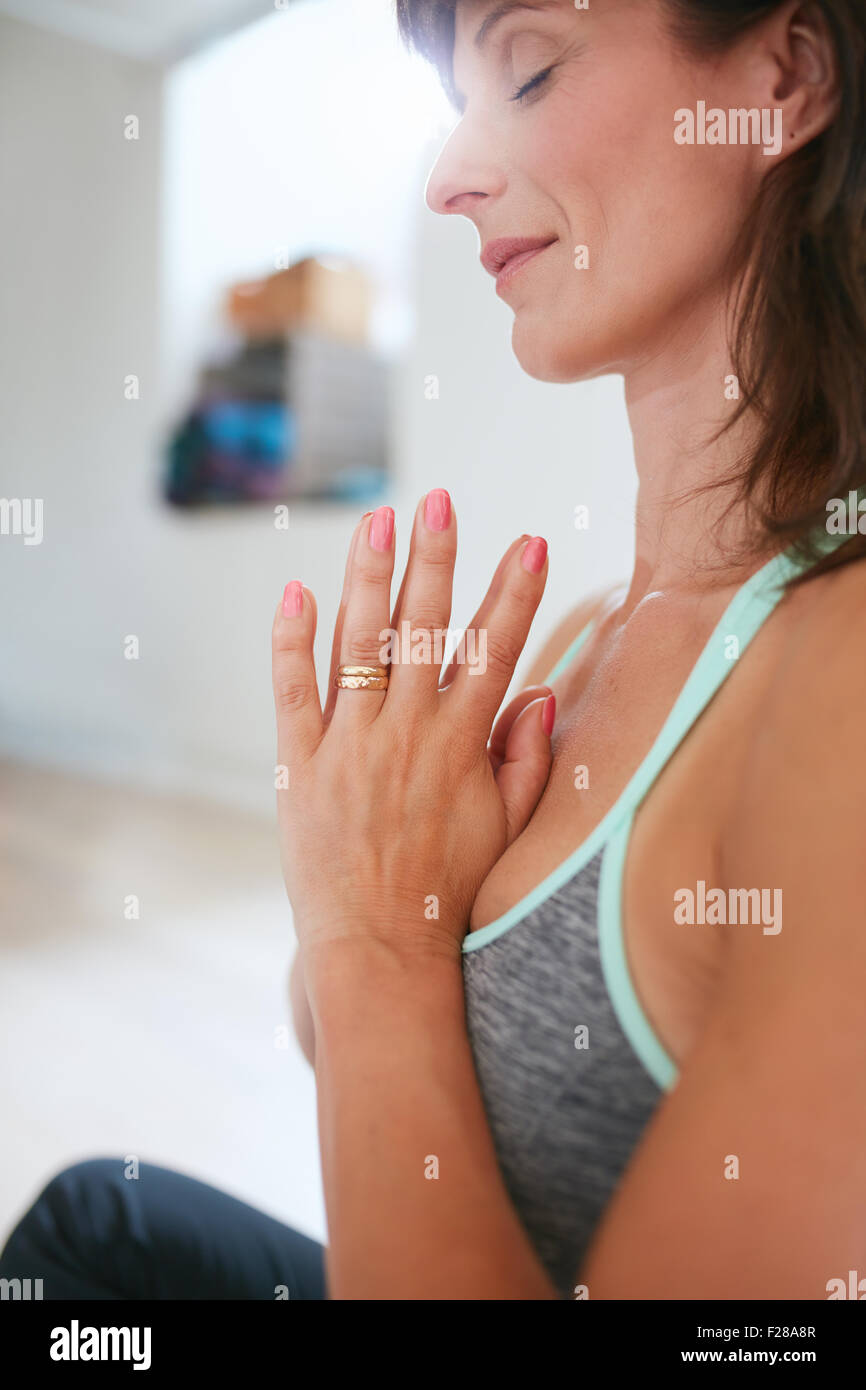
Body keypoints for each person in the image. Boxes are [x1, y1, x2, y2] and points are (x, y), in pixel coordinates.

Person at [3, 0, 865, 1300]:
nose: (450, 174)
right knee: (95, 1242)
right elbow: (333, 1030)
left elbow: (360, 991)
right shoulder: (583, 637)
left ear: (781, 79)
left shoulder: (837, 676)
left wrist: (371, 945)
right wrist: (369, 873)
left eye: (526, 74)